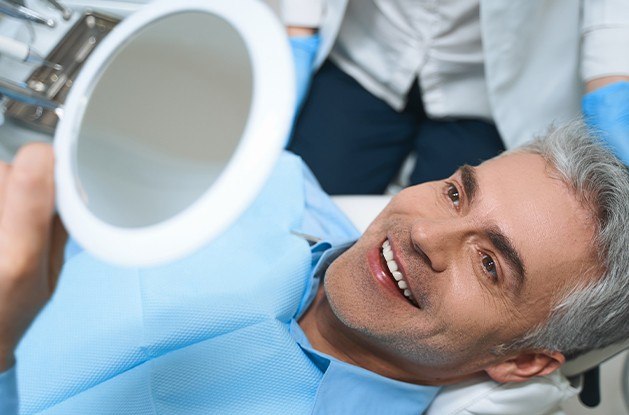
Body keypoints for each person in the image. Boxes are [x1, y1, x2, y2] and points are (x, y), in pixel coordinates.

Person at [0, 122, 627, 414]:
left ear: (521, 361)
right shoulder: (260, 182)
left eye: (489, 264)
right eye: (456, 193)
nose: (426, 233)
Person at [283, 0, 629, 194]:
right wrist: (296, 26)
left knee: (449, 257)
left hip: (486, 90)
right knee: (298, 209)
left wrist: (611, 71)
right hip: (368, 52)